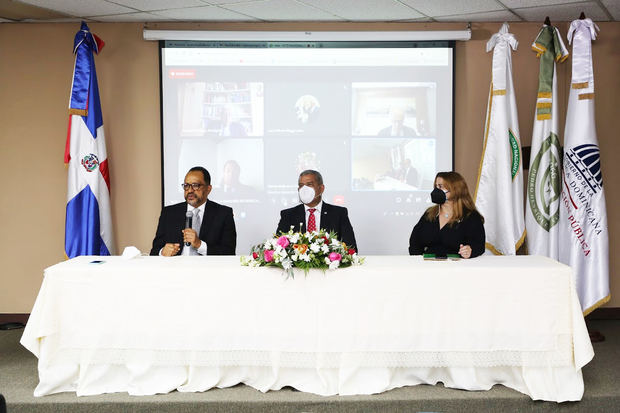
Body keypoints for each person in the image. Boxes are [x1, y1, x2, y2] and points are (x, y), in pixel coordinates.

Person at [150, 166, 236, 256]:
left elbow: (229, 252)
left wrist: (200, 245)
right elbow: (154, 251)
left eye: (195, 186)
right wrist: (162, 252)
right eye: (186, 186)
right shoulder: (169, 213)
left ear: (208, 189)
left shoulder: (224, 214)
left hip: (208, 268)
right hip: (176, 268)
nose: (190, 190)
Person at [409, 171, 485, 259]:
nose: (436, 190)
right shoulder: (430, 214)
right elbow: (415, 241)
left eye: (440, 186)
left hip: (458, 268)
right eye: (436, 186)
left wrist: (470, 251)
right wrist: (418, 261)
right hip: (428, 267)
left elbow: (479, 245)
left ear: (455, 189)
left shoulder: (470, 217)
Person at [276, 170, 358, 251]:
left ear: (321, 188)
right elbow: (278, 249)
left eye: (309, 184)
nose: (304, 189)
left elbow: (351, 248)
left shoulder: (339, 213)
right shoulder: (287, 215)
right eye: (301, 185)